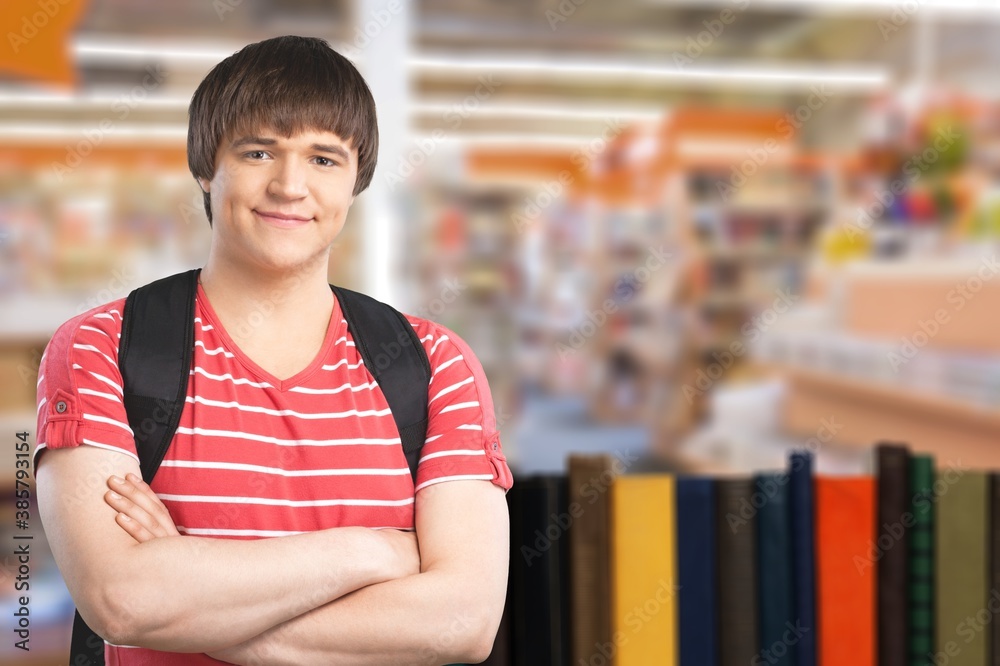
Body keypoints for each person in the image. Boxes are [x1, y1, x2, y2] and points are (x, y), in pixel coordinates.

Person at [34, 35, 513, 665]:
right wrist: (372, 553)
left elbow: (463, 622)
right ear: (207, 166)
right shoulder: (106, 347)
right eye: (259, 151)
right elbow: (121, 602)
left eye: (323, 159)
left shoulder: (432, 365)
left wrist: (187, 589)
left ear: (355, 180)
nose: (290, 186)